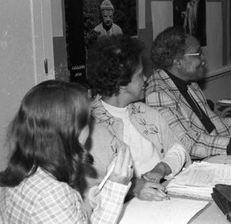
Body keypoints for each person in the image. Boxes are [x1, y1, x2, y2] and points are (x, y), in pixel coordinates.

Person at [0, 80, 133, 223]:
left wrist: (87, 203)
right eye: (87, 121)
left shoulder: (26, 169)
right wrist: (115, 189)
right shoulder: (52, 193)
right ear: (71, 132)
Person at [145, 27, 231, 160]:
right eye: (198, 54)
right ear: (178, 62)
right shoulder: (158, 94)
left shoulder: (189, 83)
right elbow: (190, 145)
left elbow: (208, 126)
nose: (204, 60)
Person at [86, 35, 189, 202]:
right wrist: (134, 187)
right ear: (122, 83)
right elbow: (92, 186)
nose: (146, 79)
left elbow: (178, 149)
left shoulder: (146, 113)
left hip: (165, 195)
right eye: (141, 74)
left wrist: (161, 168)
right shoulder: (90, 127)